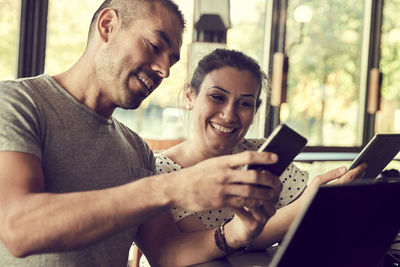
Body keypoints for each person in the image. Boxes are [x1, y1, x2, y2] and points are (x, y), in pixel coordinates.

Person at [0, 1, 284, 267]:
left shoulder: (137, 150)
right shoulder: (16, 103)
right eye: (154, 46)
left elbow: (166, 251)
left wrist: (235, 233)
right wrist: (173, 187)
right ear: (108, 25)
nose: (164, 70)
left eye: (171, 61)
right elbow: (18, 228)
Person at [134, 49, 367, 267]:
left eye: (245, 103)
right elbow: (199, 250)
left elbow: (309, 229)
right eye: (217, 97)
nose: (229, 114)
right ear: (189, 96)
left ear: (255, 110)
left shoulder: (262, 152)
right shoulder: (158, 169)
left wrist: (330, 202)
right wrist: (308, 204)